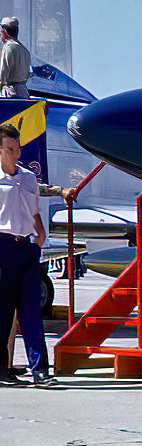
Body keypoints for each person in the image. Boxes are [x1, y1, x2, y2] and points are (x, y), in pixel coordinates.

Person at [0, 123, 53, 386]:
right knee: (3, 311)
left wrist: (40, 236)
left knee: (32, 310)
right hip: (3, 245)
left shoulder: (28, 178)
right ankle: (2, 370)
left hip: (27, 246)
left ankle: (39, 369)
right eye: (9, 149)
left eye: (18, 148)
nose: (15, 153)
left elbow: (34, 212)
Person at [0, 17, 31, 98]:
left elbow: (3, 73)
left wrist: (1, 85)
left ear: (5, 32)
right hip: (24, 92)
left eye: (1, 32)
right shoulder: (24, 50)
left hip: (11, 92)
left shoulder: (8, 47)